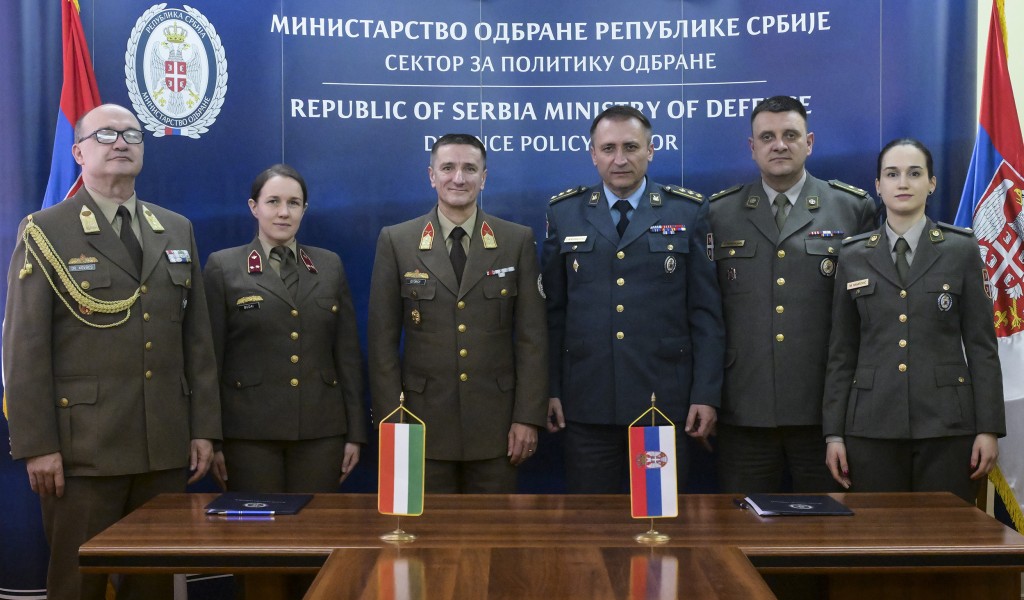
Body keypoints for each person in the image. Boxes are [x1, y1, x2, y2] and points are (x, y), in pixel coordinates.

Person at [2, 103, 221, 600]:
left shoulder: (176, 228)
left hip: (162, 444)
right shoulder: (46, 230)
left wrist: (204, 428)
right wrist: (38, 444)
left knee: (154, 586)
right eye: (105, 135)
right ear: (78, 153)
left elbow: (197, 341)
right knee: (77, 584)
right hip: (84, 452)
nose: (121, 142)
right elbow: (25, 347)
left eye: (132, 134)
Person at [542, 105, 724, 494]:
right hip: (587, 404)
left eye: (631, 147)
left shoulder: (687, 211)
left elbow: (705, 314)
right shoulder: (565, 213)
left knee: (656, 518)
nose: (620, 159)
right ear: (593, 154)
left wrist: (705, 394)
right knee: (592, 523)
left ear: (650, 150)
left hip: (662, 402)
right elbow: (553, 315)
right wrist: (551, 389)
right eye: (608, 148)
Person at [706, 95, 877, 494]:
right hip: (744, 406)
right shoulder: (720, 212)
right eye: (767, 137)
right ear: (752, 147)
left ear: (809, 142)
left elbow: (868, 314)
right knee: (742, 524)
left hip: (824, 408)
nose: (779, 145)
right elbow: (707, 311)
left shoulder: (851, 208)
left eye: (790, 135)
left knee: (828, 526)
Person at [823, 138, 1005, 503]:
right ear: (878, 185)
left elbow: (982, 347)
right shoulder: (854, 254)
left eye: (914, 173)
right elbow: (842, 351)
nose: (903, 183)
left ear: (931, 183)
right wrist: (834, 434)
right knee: (878, 531)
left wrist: (988, 429)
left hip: (947, 426)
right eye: (892, 174)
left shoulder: (960, 249)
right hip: (871, 425)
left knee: (945, 531)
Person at [367, 133, 547, 493]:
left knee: (494, 528)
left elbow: (533, 338)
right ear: (431, 176)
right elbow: (381, 342)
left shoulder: (515, 240)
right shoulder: (397, 241)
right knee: (426, 528)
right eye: (448, 168)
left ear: (484, 177)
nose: (459, 178)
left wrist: (527, 417)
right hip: (420, 422)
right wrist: (393, 420)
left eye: (470, 169)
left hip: (496, 427)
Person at [203, 164, 366, 494]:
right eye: (273, 201)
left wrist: (355, 433)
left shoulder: (329, 265)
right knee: (259, 525)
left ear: (304, 209)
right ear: (254, 207)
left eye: (293, 203)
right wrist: (211, 438)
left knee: (316, 522)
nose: (283, 212)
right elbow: (209, 361)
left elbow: (347, 356)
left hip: (321, 431)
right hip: (248, 433)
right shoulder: (224, 266)